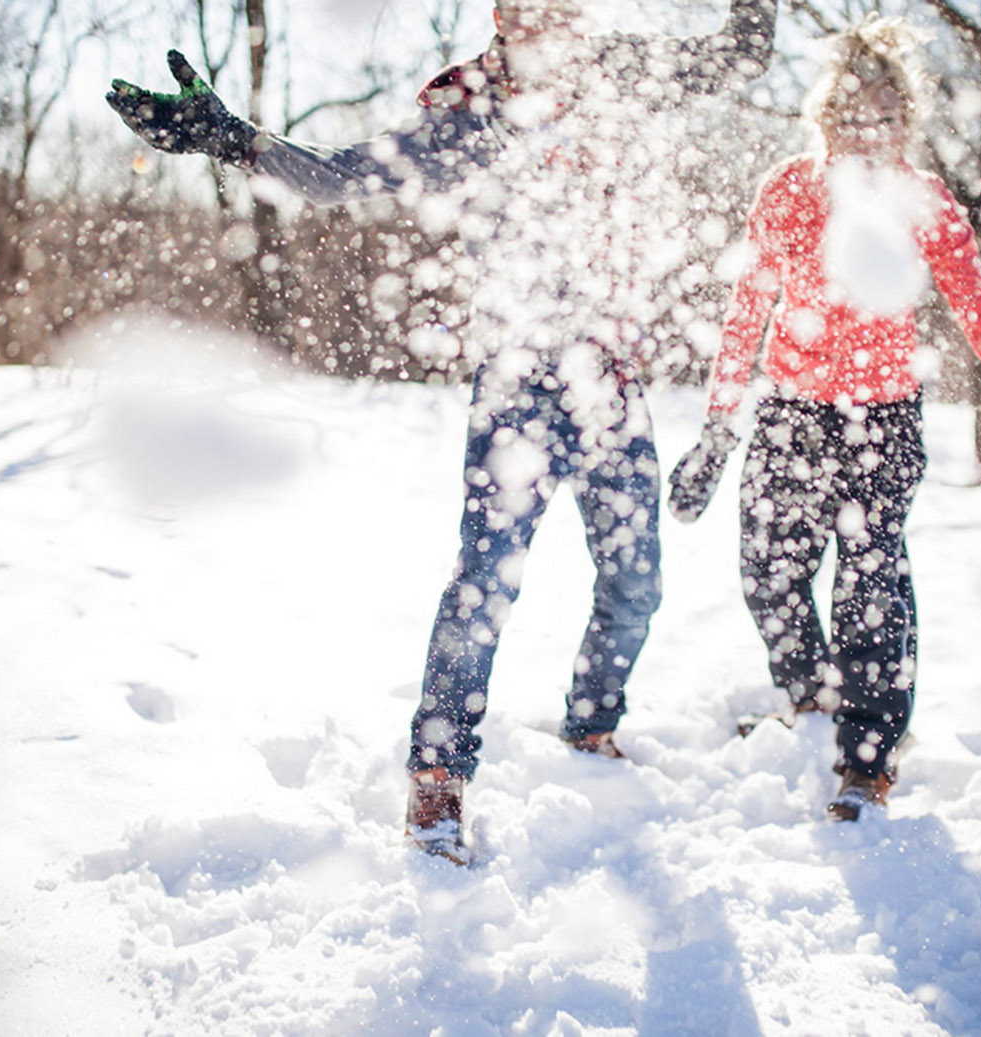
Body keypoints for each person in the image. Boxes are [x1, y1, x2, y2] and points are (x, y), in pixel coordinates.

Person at [107, 0, 779, 863]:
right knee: (484, 582)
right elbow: (336, 175)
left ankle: (592, 722)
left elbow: (743, 54)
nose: (551, 36)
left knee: (637, 582)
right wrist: (230, 137)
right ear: (505, 26)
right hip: (515, 384)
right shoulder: (468, 119)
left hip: (611, 383)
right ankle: (439, 773)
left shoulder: (618, 77)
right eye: (532, 21)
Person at [666, 18, 981, 822]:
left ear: (908, 125)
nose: (868, 131)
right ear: (823, 117)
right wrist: (719, 431)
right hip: (792, 415)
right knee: (769, 576)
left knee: (871, 585)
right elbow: (745, 312)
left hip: (883, 422)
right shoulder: (788, 191)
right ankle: (816, 702)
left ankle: (867, 757)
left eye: (886, 117)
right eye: (852, 115)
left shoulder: (926, 201)